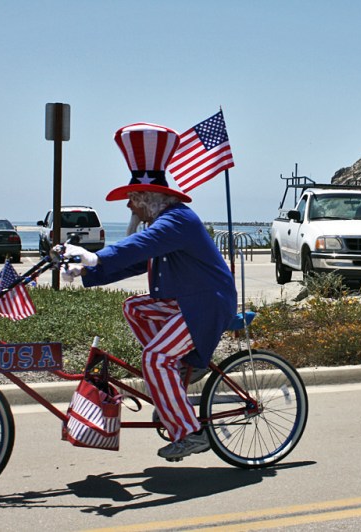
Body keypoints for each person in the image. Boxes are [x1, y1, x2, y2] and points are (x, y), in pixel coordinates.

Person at [59, 122, 238, 460]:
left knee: (155, 358)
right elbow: (136, 261)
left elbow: (139, 245)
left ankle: (190, 432)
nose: (129, 206)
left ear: (146, 198)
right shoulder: (165, 223)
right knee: (135, 308)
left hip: (205, 304)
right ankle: (181, 371)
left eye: (132, 199)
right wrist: (88, 270)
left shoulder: (176, 221)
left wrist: (98, 256)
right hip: (187, 301)